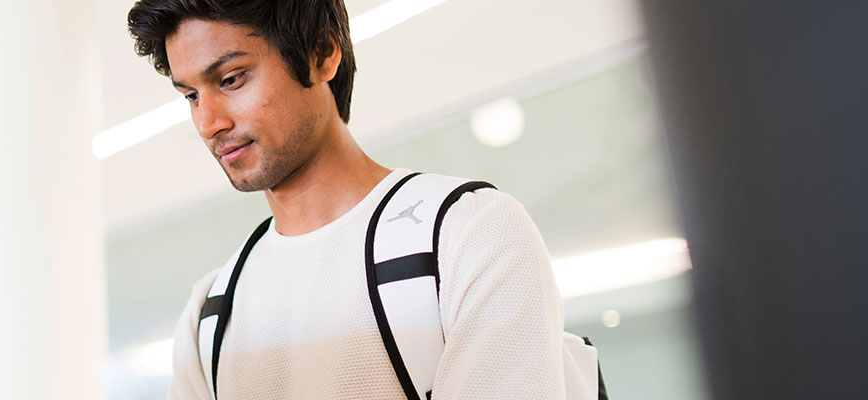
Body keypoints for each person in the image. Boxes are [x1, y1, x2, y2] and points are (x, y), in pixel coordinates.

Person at [126, 0, 567, 398]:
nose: (208, 123)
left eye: (231, 79)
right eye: (191, 96)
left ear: (322, 53)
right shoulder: (212, 308)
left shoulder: (467, 234)